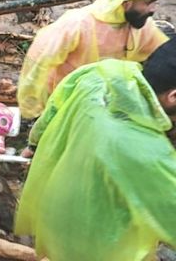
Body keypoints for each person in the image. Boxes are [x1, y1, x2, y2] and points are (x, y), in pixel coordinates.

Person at [15, 42, 176, 261]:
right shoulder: (146, 151)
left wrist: (33, 144)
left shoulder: (102, 73)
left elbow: (54, 106)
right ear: (173, 96)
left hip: (57, 214)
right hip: (101, 245)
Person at [17, 0, 168, 120]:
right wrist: (33, 111)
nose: (153, 9)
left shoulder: (141, 27)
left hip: (108, 102)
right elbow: (39, 61)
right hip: (66, 103)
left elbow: (164, 54)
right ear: (127, 1)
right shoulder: (77, 24)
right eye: (147, 3)